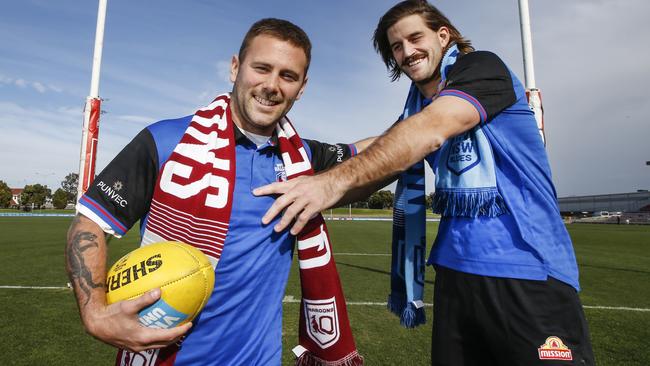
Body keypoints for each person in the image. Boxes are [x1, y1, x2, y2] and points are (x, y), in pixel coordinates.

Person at [254, 1, 595, 365]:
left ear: (443, 35)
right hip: (454, 272)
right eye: (396, 46)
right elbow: (379, 152)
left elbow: (429, 132)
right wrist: (298, 153)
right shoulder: (416, 108)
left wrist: (329, 185)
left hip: (528, 270)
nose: (406, 52)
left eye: (415, 38)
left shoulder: (482, 68)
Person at [65, 18, 368, 366]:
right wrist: (94, 313)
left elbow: (377, 153)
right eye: (262, 68)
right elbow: (88, 224)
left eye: (288, 76)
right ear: (235, 67)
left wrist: (432, 113)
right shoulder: (165, 140)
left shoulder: (304, 158)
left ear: (302, 87)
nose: (272, 85)